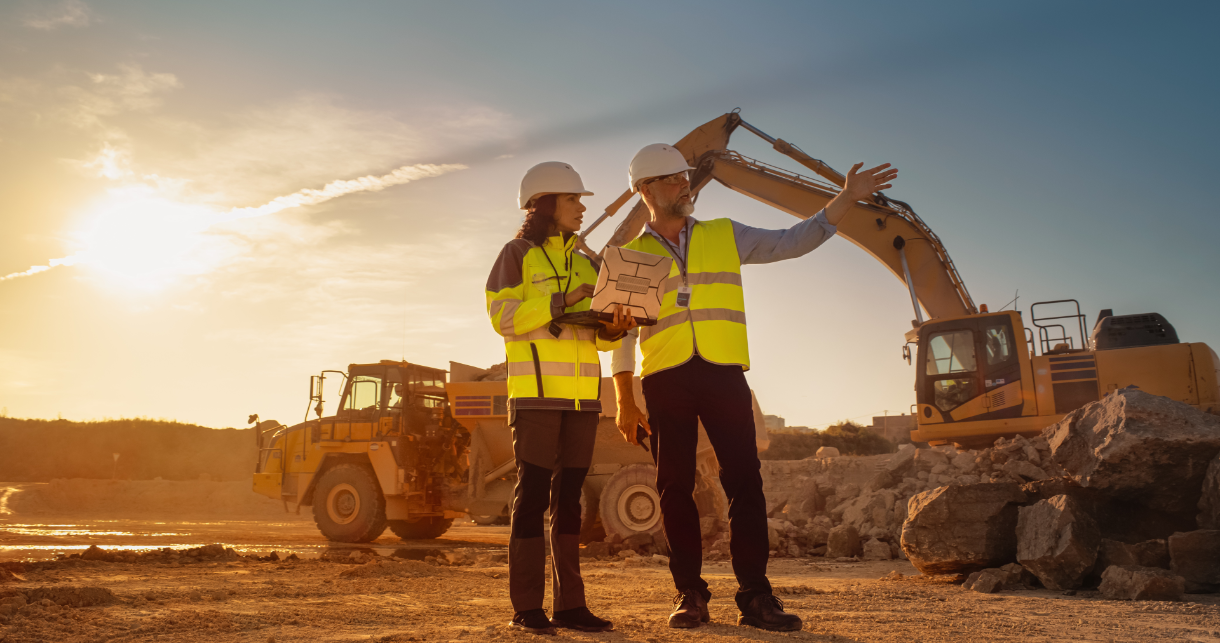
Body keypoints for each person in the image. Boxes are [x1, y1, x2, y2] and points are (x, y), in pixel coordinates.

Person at [609, 144, 898, 632]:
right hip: (664, 378)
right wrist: (623, 399)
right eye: (674, 180)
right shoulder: (628, 256)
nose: (686, 185)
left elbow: (793, 241)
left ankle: (756, 597)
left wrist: (845, 198)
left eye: (686, 177)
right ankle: (690, 595)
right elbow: (620, 336)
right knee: (673, 488)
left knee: (745, 483)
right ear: (645, 190)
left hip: (724, 373)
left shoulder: (724, 234)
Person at [486, 161, 636, 635]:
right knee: (531, 497)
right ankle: (526, 607)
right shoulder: (516, 254)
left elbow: (602, 338)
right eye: (574, 199)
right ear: (545, 203)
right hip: (534, 397)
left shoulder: (589, 261)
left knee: (569, 500)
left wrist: (616, 324)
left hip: (582, 401)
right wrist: (562, 301)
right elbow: (502, 316)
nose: (582, 207)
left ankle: (570, 607)